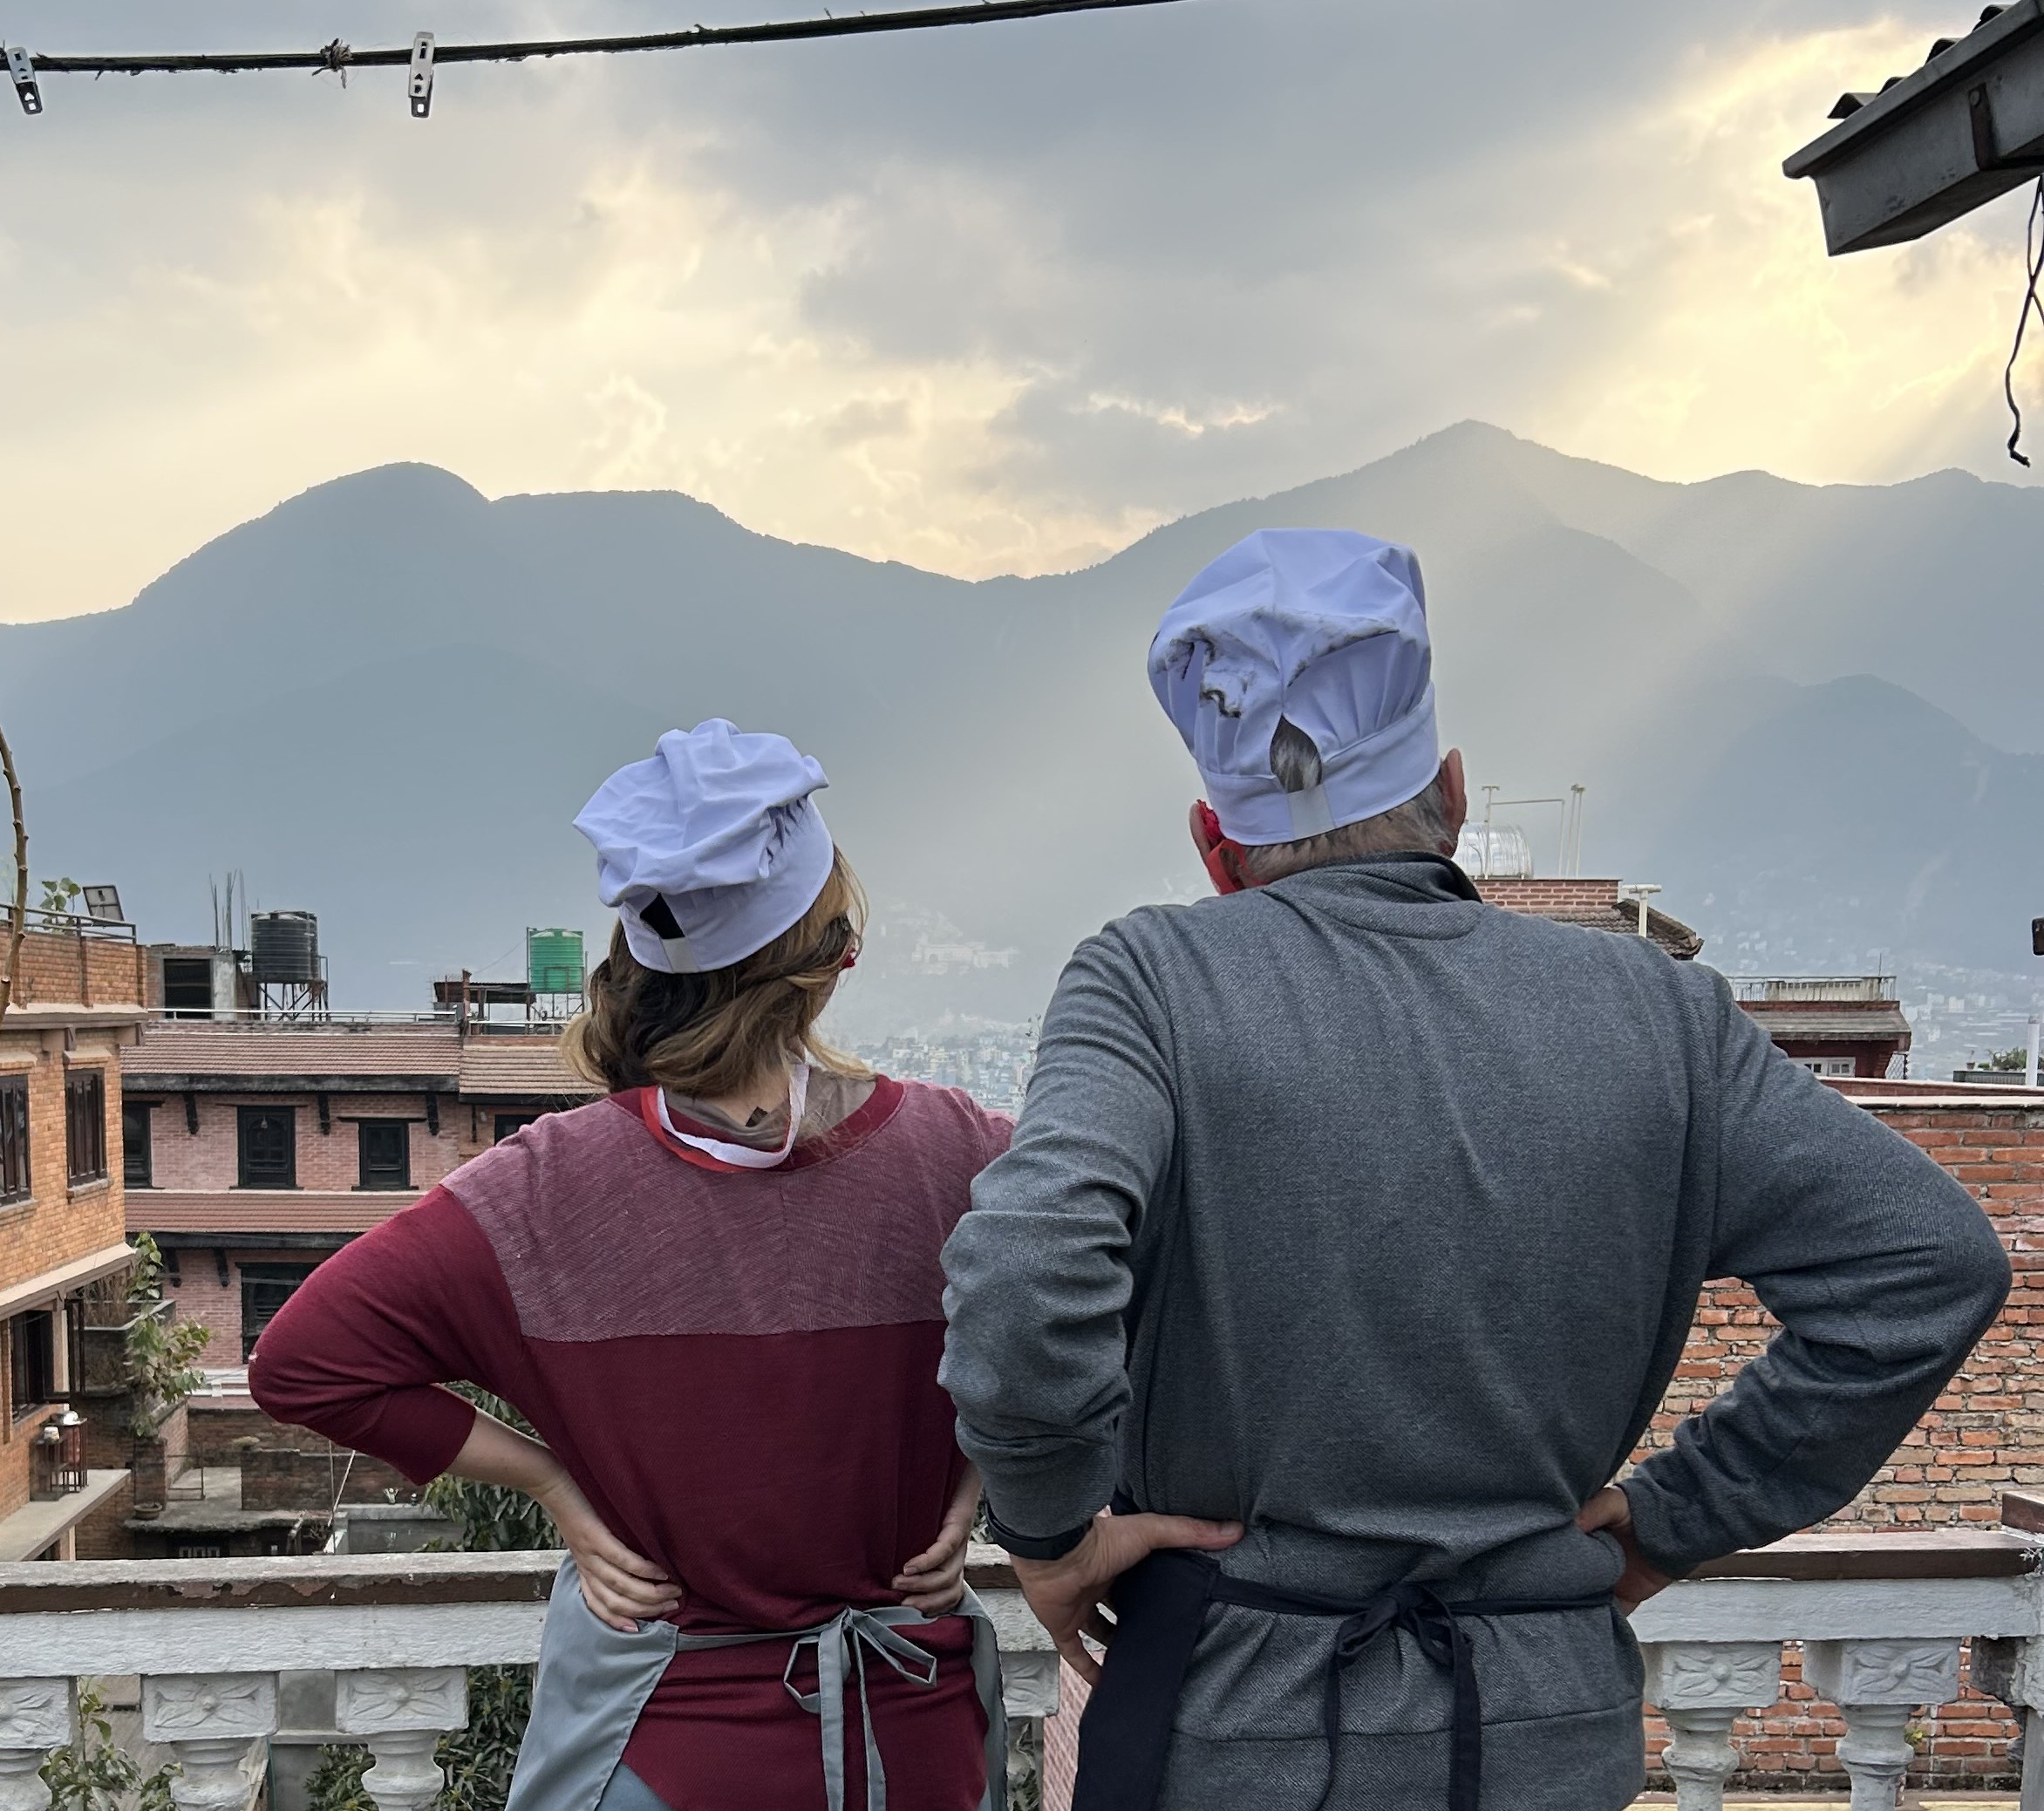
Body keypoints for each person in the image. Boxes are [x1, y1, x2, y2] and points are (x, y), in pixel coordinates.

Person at [937, 528, 2011, 1811]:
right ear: (1450, 791)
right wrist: (1677, 1513)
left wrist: (1053, 1532)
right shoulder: (1654, 1011)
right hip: (1543, 1727)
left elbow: (1025, 1275)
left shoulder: (1152, 982)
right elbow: (1930, 1264)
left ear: (1214, 847)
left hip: (1233, 1727)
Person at [250, 718, 1014, 1811]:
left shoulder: (540, 1192)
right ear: (827, 968)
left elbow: (301, 1364)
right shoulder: (964, 1156)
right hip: (912, 1741)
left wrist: (555, 1481)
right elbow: (1105, 1307)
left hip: (659, 1754)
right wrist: (985, 1475)